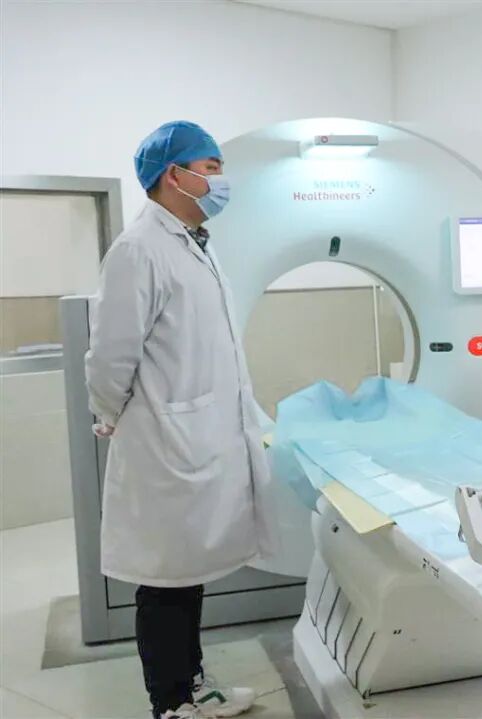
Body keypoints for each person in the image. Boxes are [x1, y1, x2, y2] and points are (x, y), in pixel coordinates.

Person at [86, 121, 275, 719]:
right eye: (211, 167)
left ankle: (192, 684)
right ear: (175, 174)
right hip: (163, 439)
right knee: (165, 581)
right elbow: (110, 355)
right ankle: (170, 704)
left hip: (196, 435)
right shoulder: (138, 249)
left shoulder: (196, 242)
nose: (220, 179)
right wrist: (109, 412)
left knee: (185, 573)